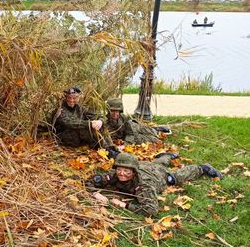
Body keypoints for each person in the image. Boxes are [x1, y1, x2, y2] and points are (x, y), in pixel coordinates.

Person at [89, 152, 223, 217]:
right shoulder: (114, 174)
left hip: (159, 176)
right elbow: (90, 181)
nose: (121, 174)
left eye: (126, 171)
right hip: (145, 166)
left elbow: (151, 210)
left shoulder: (144, 185)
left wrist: (124, 205)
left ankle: (202, 168)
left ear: (133, 172)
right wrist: (95, 194)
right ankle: (168, 156)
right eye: (119, 169)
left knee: (174, 177)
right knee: (157, 163)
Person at [52, 87, 119, 157]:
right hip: (64, 137)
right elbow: (69, 123)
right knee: (86, 129)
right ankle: (107, 152)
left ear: (78, 98)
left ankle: (112, 148)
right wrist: (90, 123)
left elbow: (99, 115)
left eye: (74, 98)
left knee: (101, 125)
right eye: (69, 98)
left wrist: (100, 121)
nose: (71, 100)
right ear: (65, 98)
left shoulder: (80, 107)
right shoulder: (61, 109)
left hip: (77, 137)